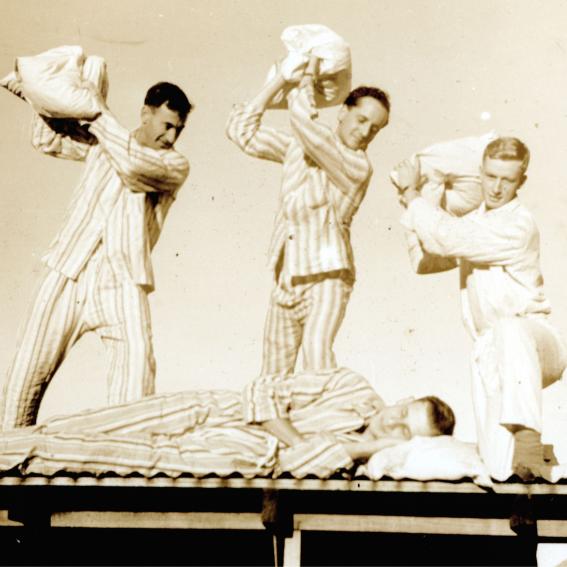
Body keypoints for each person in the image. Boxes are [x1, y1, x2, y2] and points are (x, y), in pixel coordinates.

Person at [0, 81, 192, 429]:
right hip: (68, 268)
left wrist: (95, 111)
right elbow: (46, 140)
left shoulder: (173, 165)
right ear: (145, 114)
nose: (172, 136)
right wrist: (39, 94)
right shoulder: (103, 144)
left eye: (178, 129)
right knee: (22, 383)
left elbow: (133, 167)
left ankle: (128, 471)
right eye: (167, 125)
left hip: (121, 281)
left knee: (135, 384)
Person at [393, 137, 567, 481]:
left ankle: (531, 448)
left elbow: (448, 237)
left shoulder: (518, 224)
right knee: (500, 469)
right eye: (490, 177)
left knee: (509, 328)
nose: (497, 187)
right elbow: (424, 261)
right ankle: (533, 480)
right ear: (481, 173)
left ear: (522, 182)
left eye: (507, 179)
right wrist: (417, 200)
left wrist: (414, 196)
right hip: (491, 352)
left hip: (536, 343)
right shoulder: (473, 222)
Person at [226, 55, 390, 376]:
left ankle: (330, 424)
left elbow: (305, 125)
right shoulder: (300, 147)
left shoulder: (357, 166)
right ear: (343, 111)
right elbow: (240, 132)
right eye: (361, 120)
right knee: (272, 377)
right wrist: (275, 83)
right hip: (286, 278)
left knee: (317, 362)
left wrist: (304, 80)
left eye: (375, 128)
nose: (365, 132)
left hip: (328, 277)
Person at [0, 367, 455, 479]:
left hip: (232, 452)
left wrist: (370, 448)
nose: (392, 421)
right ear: (402, 398)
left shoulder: (351, 461)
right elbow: (263, 389)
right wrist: (294, 438)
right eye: (402, 410)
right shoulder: (350, 386)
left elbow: (298, 466)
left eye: (403, 429)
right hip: (209, 410)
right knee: (83, 424)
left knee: (78, 453)